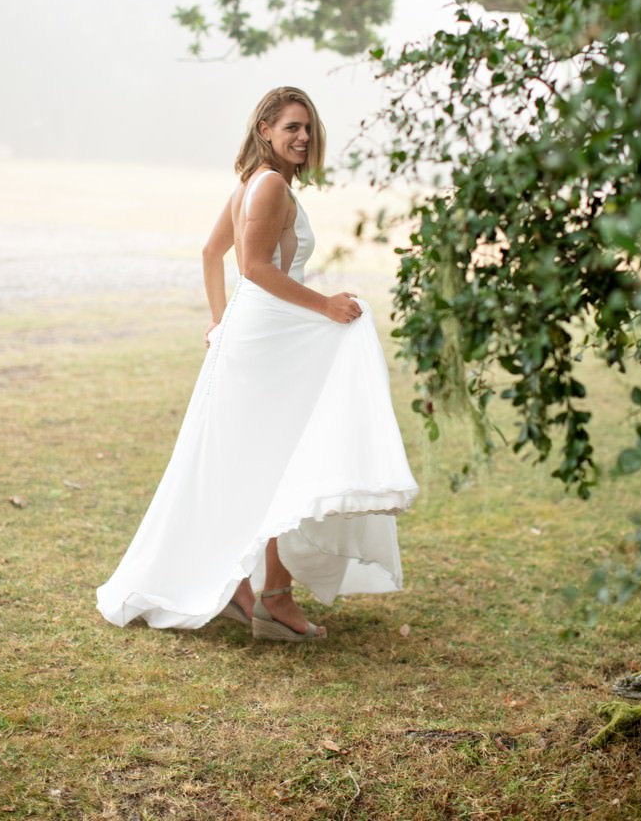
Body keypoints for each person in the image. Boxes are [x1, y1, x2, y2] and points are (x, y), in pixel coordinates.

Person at [96, 87, 418, 642]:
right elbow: (253, 267)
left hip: (258, 335)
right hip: (265, 341)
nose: (302, 138)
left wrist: (223, 324)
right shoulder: (267, 185)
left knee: (258, 465)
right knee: (281, 462)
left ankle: (254, 591)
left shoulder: (250, 185)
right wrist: (323, 306)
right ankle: (272, 597)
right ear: (265, 129)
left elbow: (211, 256)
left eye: (308, 129)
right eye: (292, 127)